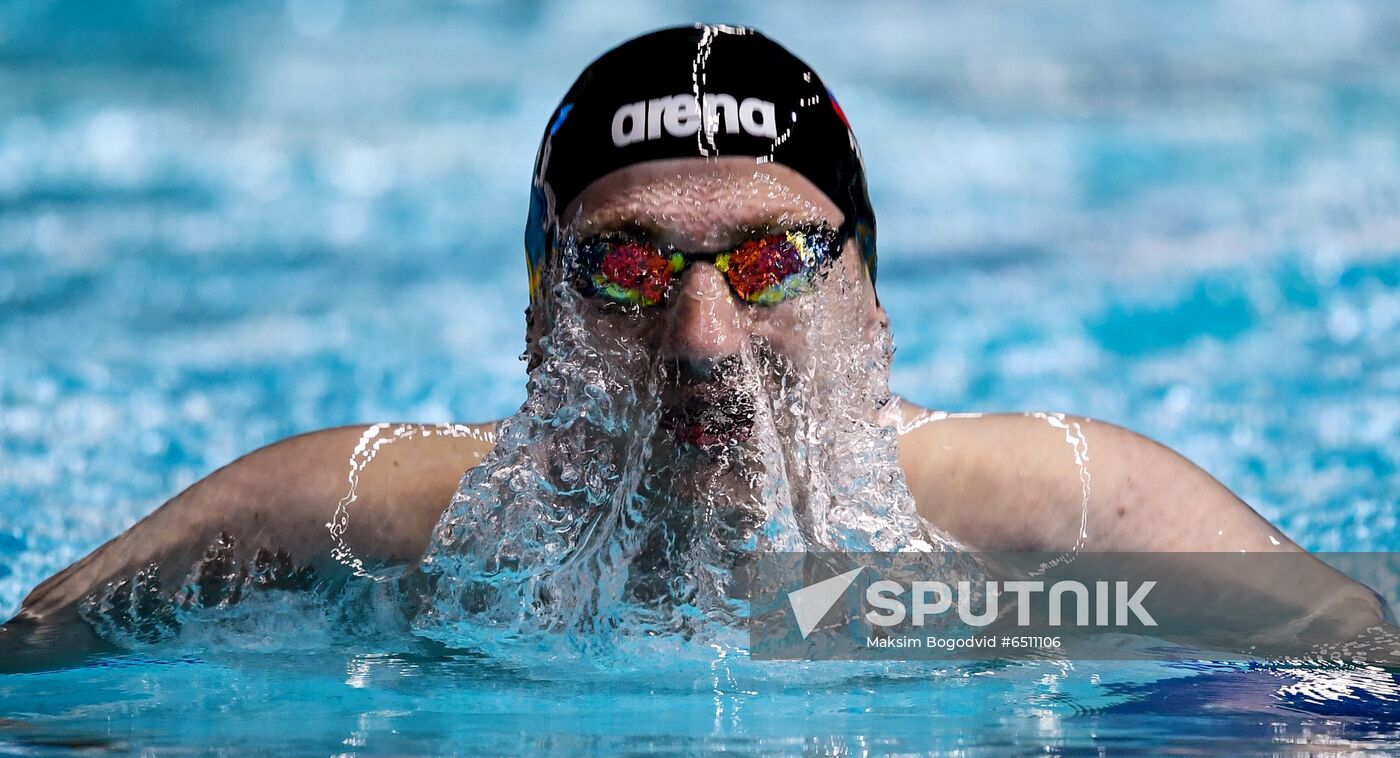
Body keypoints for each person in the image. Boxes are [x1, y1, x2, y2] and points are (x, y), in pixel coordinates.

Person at [1, 25, 1386, 668]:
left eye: (775, 260)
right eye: (623, 266)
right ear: (538, 315)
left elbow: (1361, 670)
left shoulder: (1054, 510)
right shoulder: (365, 517)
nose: (702, 338)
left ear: (874, 302)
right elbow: (37, 661)